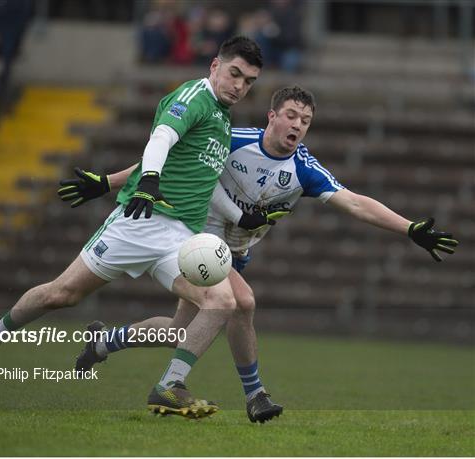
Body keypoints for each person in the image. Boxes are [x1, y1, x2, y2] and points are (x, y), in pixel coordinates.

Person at [58, 86, 458, 423]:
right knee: (242, 302)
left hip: (231, 253)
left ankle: (104, 342)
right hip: (192, 239)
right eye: (291, 115)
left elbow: (353, 202)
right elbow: (168, 159)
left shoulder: (304, 168)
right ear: (272, 116)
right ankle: (249, 395)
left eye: (305, 120)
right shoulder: (232, 140)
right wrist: (107, 183)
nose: (298, 124)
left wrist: (408, 228)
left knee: (181, 330)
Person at [0, 36, 263, 420]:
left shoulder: (221, 117)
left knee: (221, 302)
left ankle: (169, 385)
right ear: (215, 66)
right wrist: (149, 181)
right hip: (138, 222)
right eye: (234, 73)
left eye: (249, 81)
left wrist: (238, 216)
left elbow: (204, 179)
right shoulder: (193, 98)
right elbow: (160, 140)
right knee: (61, 295)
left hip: (181, 239)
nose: (239, 85)